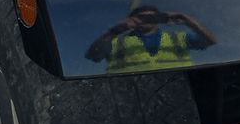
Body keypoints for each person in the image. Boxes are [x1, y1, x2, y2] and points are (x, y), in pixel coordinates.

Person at [84, 5, 216, 73]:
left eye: (152, 17)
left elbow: (211, 41)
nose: (147, 20)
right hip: (126, 94)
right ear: (132, 20)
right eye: (141, 17)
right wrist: (115, 31)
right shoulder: (115, 41)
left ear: (160, 19)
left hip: (181, 88)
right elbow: (93, 56)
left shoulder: (178, 37)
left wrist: (188, 20)